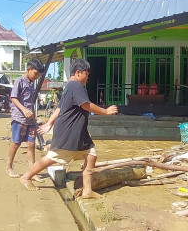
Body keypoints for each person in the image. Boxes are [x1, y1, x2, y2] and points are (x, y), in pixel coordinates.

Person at [19, 58, 118, 197]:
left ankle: (87, 190)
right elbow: (86, 105)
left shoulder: (70, 87)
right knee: (52, 157)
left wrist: (50, 123)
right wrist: (105, 111)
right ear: (78, 73)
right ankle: (26, 177)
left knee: (91, 155)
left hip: (78, 132)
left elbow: (60, 108)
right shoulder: (76, 86)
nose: (87, 78)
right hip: (68, 131)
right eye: (86, 74)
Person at [6, 58, 44, 177]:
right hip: (19, 119)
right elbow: (13, 98)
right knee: (16, 142)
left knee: (31, 144)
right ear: (29, 70)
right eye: (36, 73)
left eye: (39, 75)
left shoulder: (32, 84)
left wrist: (33, 115)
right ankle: (9, 166)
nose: (37, 77)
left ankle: (32, 171)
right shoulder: (19, 81)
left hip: (30, 120)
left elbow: (30, 102)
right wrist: (24, 110)